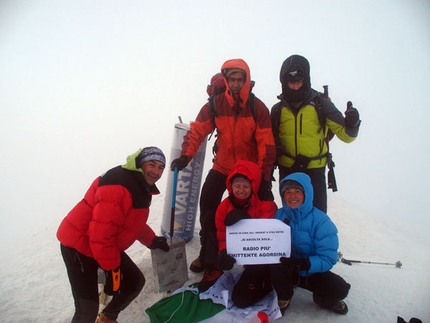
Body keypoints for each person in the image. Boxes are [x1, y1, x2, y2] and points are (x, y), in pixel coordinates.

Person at [171, 59, 277, 282]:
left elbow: (266, 145)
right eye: (232, 79)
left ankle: (250, 255)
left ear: (247, 80)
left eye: (240, 79)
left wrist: (263, 179)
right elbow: (197, 131)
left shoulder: (258, 108)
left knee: (250, 212)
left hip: (248, 171)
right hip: (222, 166)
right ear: (226, 81)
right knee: (208, 206)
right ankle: (209, 257)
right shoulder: (215, 104)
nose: (236, 83)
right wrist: (185, 156)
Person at [57, 147, 170, 323]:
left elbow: (131, 223)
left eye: (161, 167)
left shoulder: (139, 186)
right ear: (140, 164)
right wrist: (112, 269)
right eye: (152, 165)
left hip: (102, 244)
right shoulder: (119, 187)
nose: (156, 171)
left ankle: (107, 318)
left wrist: (152, 240)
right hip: (78, 246)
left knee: (134, 282)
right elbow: (100, 235)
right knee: (87, 309)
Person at [271, 54, 361, 213]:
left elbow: (347, 136)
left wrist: (352, 124)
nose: (295, 86)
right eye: (291, 82)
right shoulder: (278, 109)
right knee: (290, 216)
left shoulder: (321, 104)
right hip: (288, 169)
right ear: (284, 82)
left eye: (299, 81)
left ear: (306, 80)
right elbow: (270, 142)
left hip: (314, 170)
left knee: (317, 217)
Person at [212, 160, 291, 313]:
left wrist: (245, 218)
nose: (241, 190)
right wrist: (223, 253)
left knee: (279, 268)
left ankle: (283, 289)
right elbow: (222, 237)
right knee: (240, 299)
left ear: (253, 186)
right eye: (237, 186)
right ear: (231, 186)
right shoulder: (223, 207)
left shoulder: (265, 205)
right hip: (249, 263)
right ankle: (266, 284)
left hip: (267, 260)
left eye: (246, 186)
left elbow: (267, 236)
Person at [275, 172, 351, 315]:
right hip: (285, 270)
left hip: (309, 272)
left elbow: (328, 258)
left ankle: (324, 298)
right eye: (288, 192)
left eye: (297, 191)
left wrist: (305, 264)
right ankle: (284, 296)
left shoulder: (321, 221)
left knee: (339, 288)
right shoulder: (277, 216)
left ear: (306, 194)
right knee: (274, 271)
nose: (292, 196)